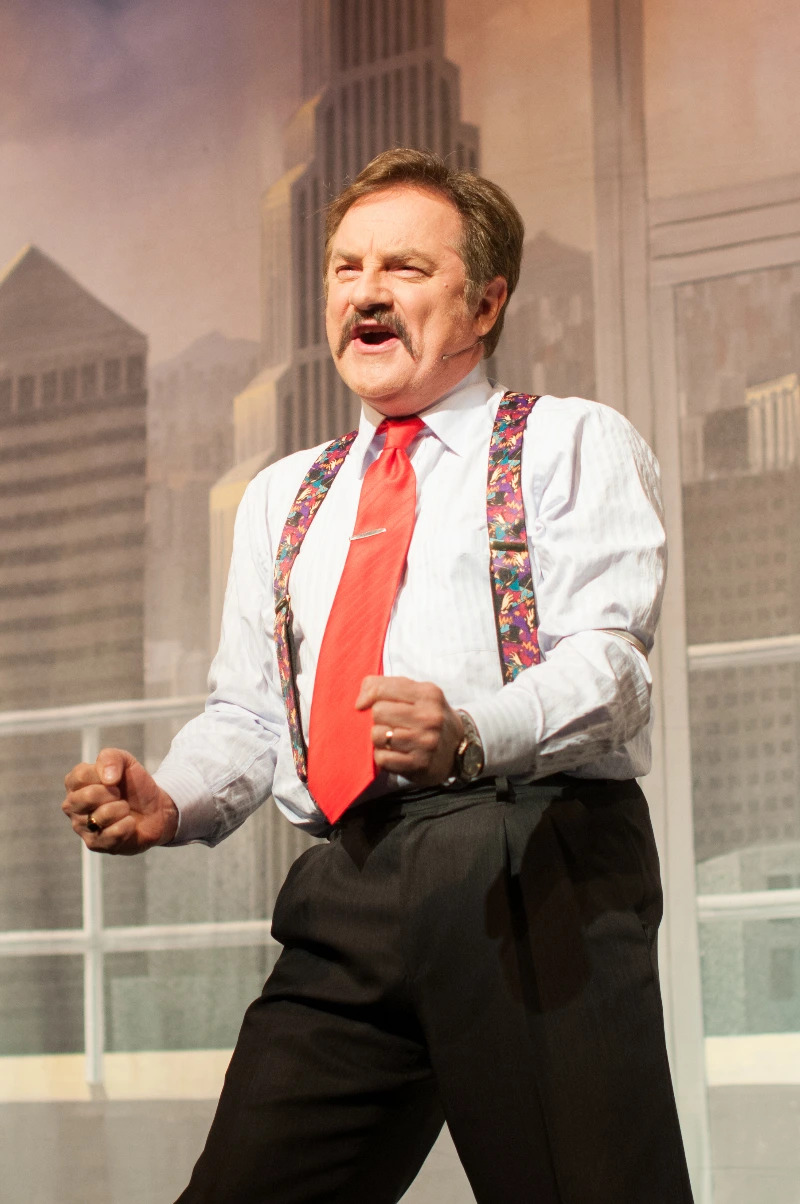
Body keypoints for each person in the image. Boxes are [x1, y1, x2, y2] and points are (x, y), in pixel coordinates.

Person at [62, 148, 693, 1203]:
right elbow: (250, 712)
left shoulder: (566, 441)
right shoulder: (283, 495)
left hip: (530, 855)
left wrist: (472, 732)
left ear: (485, 301)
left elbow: (613, 669)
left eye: (404, 267)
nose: (365, 293)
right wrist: (171, 798)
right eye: (346, 268)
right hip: (349, 876)